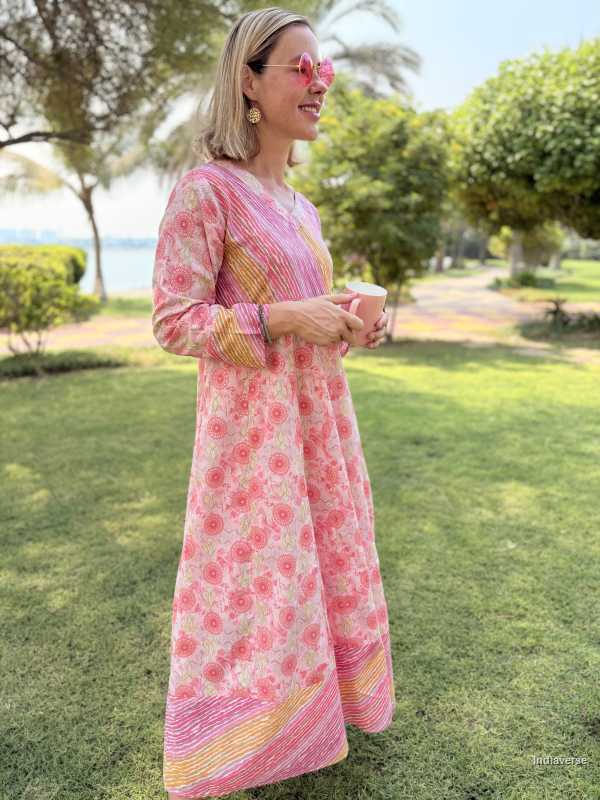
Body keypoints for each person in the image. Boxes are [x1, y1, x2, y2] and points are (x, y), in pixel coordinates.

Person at [152, 7, 395, 798]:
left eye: (321, 68)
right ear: (249, 84)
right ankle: (234, 745)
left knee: (316, 573)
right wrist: (284, 317)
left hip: (320, 424)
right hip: (253, 440)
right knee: (249, 587)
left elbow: (305, 306)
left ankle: (316, 717)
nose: (319, 82)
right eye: (300, 67)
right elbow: (173, 319)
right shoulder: (206, 192)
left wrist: (349, 322)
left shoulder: (302, 208)